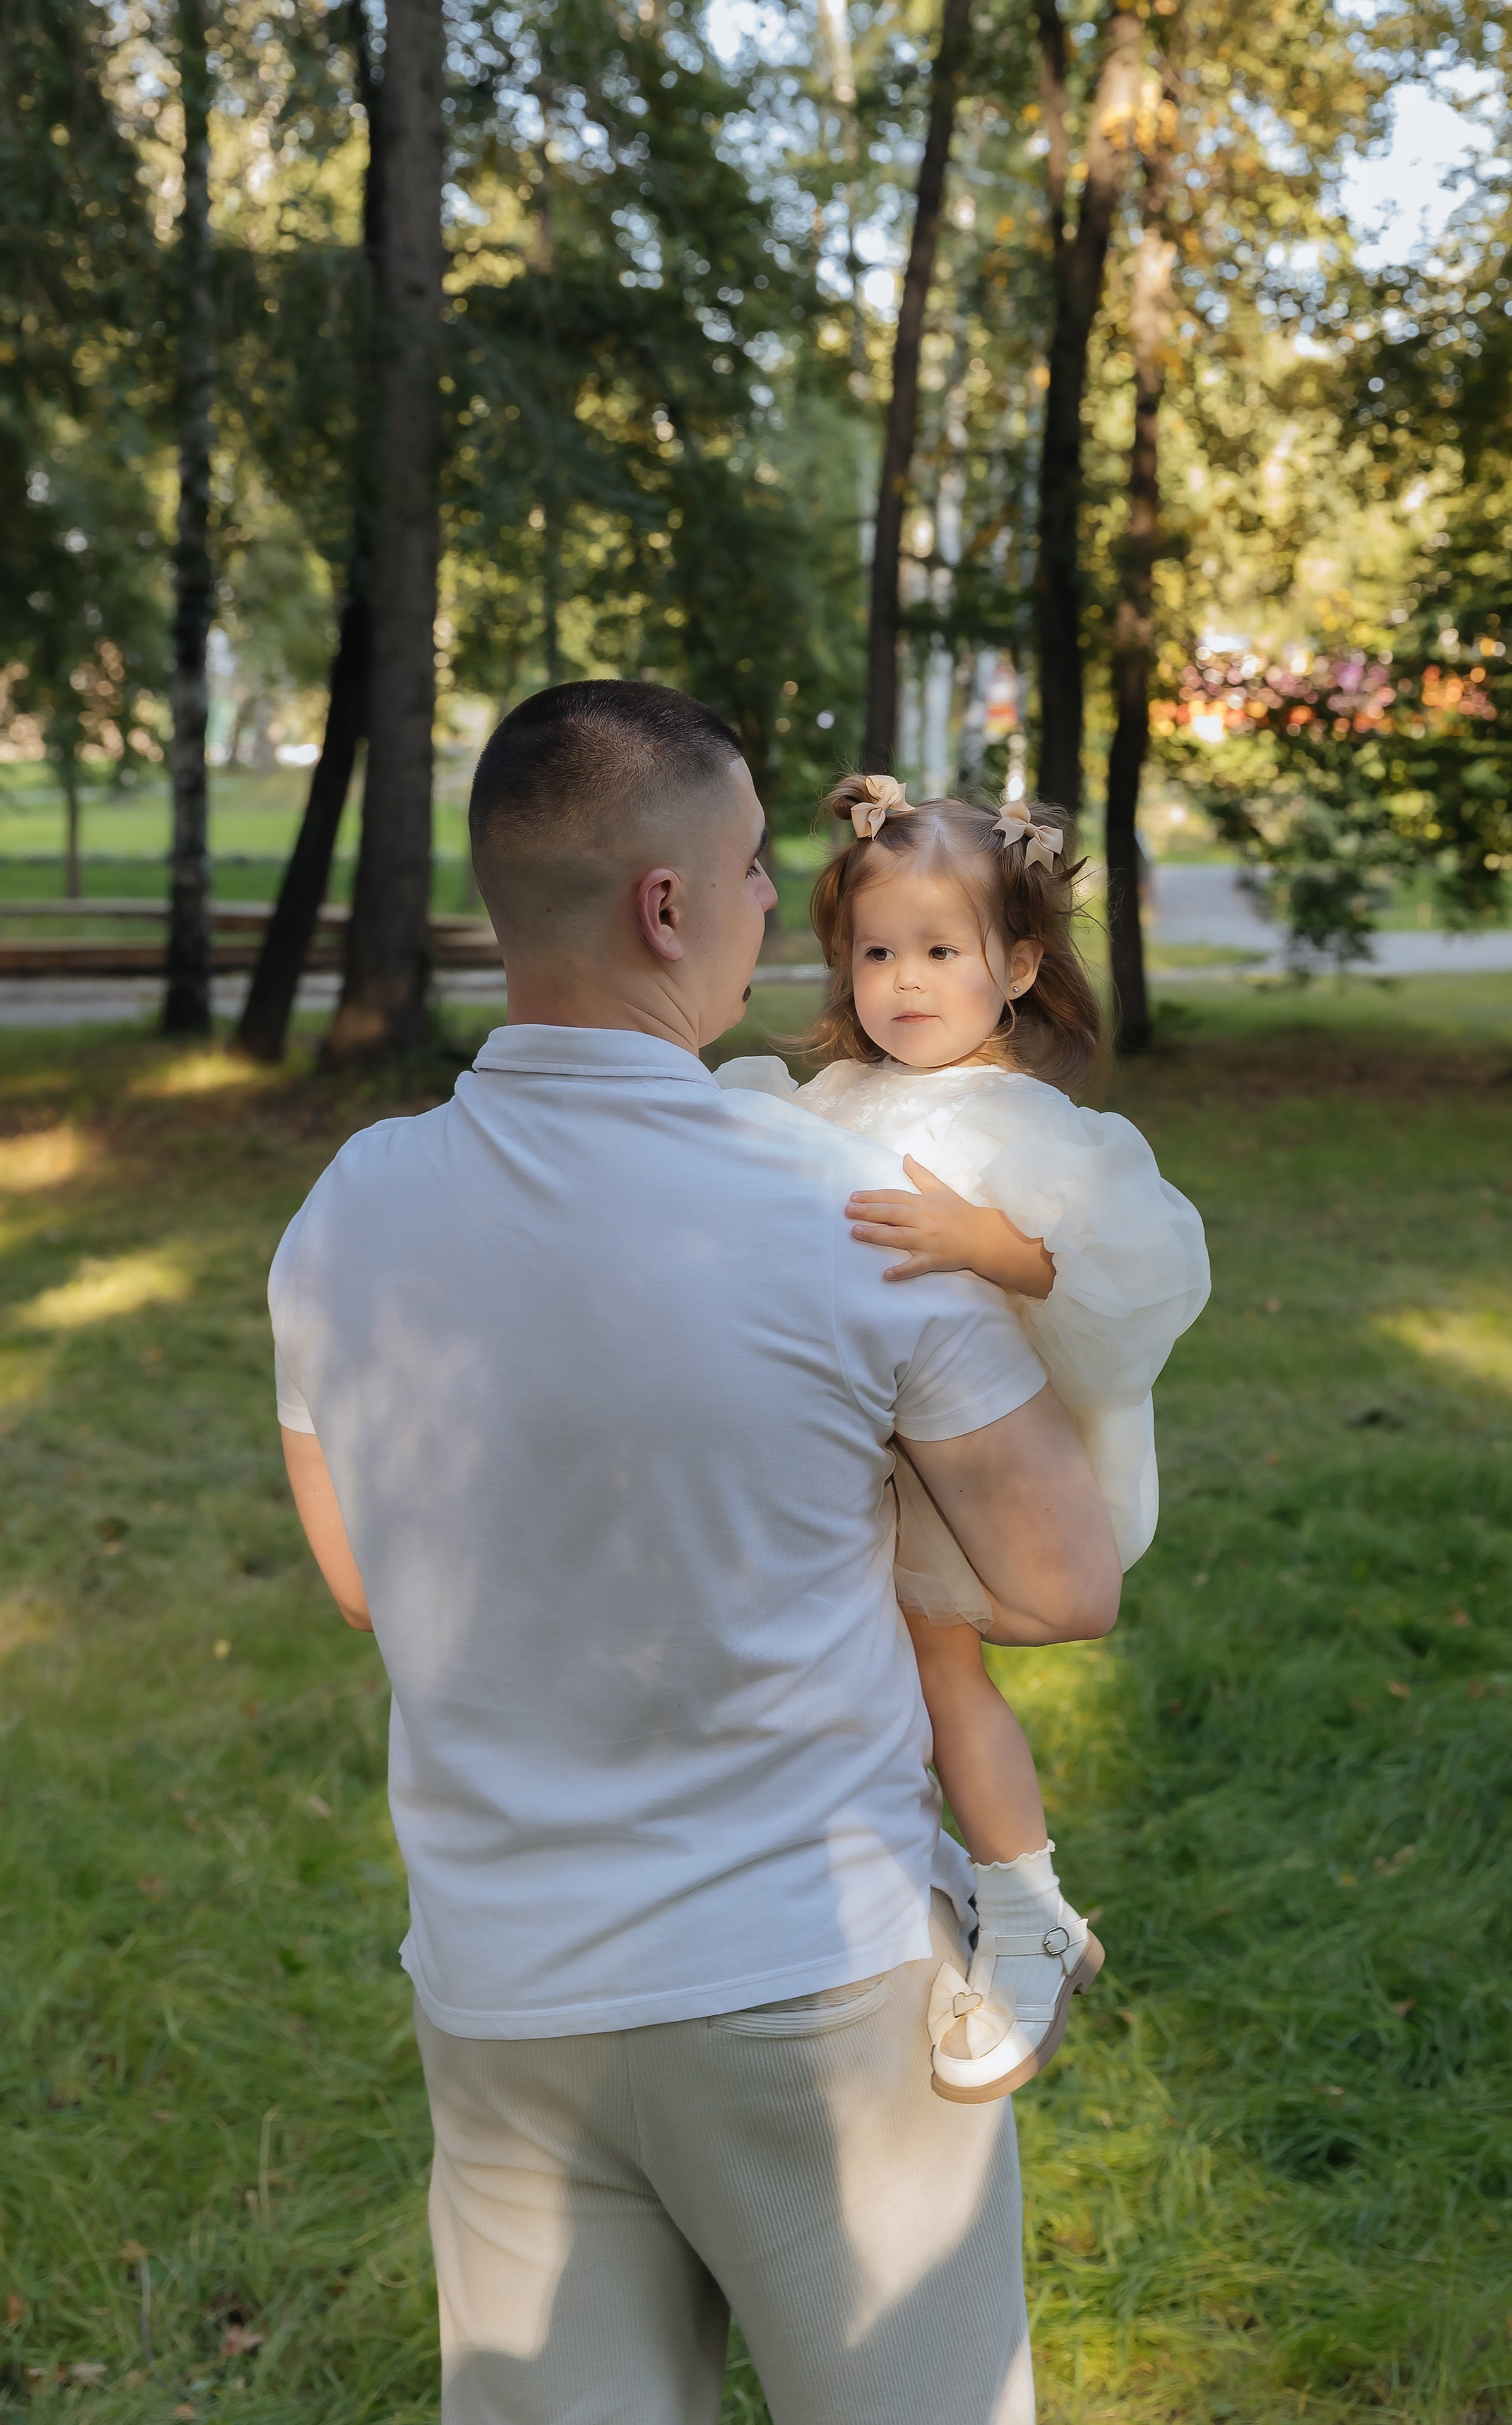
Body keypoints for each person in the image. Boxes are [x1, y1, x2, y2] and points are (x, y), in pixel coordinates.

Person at [269, 680, 1122, 2425]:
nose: (764, 910)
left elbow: (366, 1581)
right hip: (817, 1990)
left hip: (508, 1997)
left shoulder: (349, 1208)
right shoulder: (853, 1218)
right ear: (667, 905)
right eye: (748, 870)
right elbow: (1063, 1582)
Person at [716, 772, 1209, 2102]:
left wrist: (990, 1243)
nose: (903, 982)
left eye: (939, 951)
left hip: (979, 1480)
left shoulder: (1039, 1135)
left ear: (1017, 965)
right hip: (856, 1464)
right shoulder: (826, 1106)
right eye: (874, 952)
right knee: (864, 1686)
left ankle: (1026, 1901)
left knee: (944, 1687)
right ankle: (898, 1881)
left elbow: (1147, 1269)